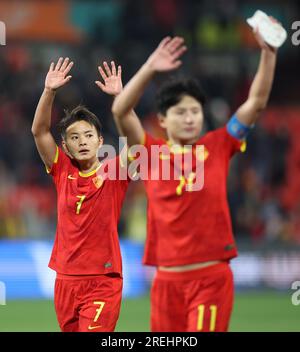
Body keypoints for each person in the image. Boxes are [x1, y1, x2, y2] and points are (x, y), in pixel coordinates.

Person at [110, 28, 278, 331]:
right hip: (165, 282)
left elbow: (256, 103)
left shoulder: (219, 145)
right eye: (180, 112)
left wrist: (268, 54)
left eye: (195, 111)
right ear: (162, 119)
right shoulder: (148, 153)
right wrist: (149, 68)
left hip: (210, 279)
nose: (190, 118)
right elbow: (121, 110)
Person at [32, 57, 129, 332]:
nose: (82, 141)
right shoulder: (61, 170)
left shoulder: (115, 172)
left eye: (88, 135)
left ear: (100, 141)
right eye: (74, 138)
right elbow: (39, 131)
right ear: (65, 145)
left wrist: (121, 99)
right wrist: (49, 91)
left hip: (103, 279)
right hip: (65, 279)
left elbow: (136, 143)